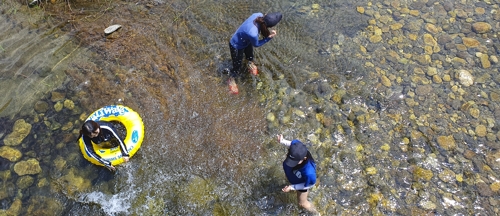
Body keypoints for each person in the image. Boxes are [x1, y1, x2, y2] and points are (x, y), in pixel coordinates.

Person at [228, 12, 283, 94]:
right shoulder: (253, 33)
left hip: (246, 40)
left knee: (250, 56)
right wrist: (269, 37)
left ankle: (250, 63)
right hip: (236, 45)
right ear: (270, 26)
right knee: (237, 67)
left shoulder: (258, 14)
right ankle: (231, 79)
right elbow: (256, 44)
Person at [277, 134, 319, 214]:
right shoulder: (297, 147)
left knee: (302, 204)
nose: (292, 163)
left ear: (304, 159)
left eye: (295, 162)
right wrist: (282, 141)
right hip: (293, 175)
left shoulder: (309, 172)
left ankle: (316, 213)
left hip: (301, 184)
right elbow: (292, 145)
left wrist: (292, 187)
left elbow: (310, 185)